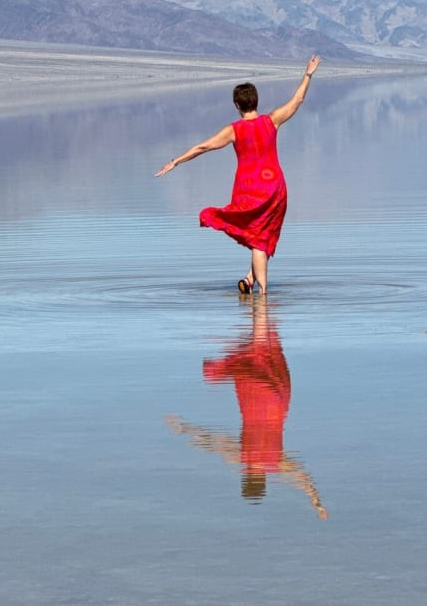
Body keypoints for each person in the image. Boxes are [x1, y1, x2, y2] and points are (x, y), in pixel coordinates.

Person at [156, 55, 322, 296]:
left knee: (257, 239)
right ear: (256, 101)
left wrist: (175, 161)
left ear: (236, 105)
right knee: (262, 234)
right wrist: (308, 75)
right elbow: (298, 99)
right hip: (275, 186)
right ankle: (249, 279)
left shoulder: (233, 130)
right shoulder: (271, 121)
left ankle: (262, 295)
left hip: (250, 189)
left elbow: (203, 147)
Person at [165, 298, 327, 518]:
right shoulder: (242, 458)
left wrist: (315, 499)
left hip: (275, 400)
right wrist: (184, 428)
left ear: (263, 481)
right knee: (249, 361)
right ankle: (261, 308)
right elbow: (212, 442)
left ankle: (264, 311)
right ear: (246, 479)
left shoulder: (275, 463)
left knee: (266, 356)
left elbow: (300, 476)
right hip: (255, 400)